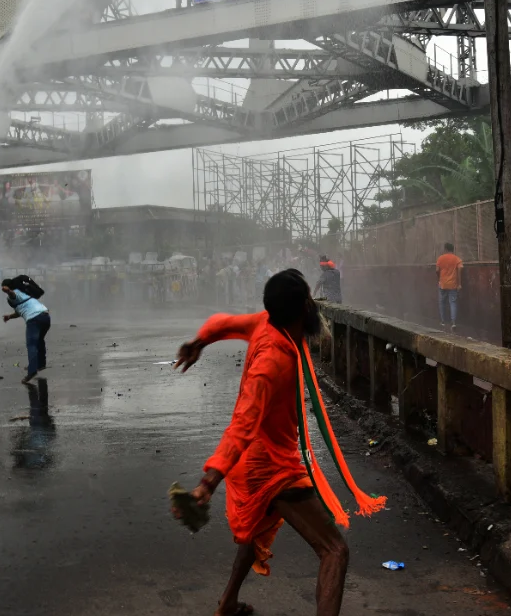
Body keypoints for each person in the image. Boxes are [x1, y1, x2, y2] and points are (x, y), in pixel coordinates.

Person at [173, 270, 385, 616]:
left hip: (258, 461)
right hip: (270, 467)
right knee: (334, 551)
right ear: (305, 307)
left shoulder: (264, 324)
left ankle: (227, 604)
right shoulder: (273, 360)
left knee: (255, 533)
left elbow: (222, 322)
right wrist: (209, 481)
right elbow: (243, 422)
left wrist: (199, 342)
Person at [2, 277, 51, 385]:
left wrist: (8, 291)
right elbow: (20, 311)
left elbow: (12, 295)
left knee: (32, 345)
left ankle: (32, 371)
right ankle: (40, 364)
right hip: (45, 316)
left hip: (34, 319)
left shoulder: (15, 294)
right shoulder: (26, 294)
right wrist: (9, 316)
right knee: (39, 341)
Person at [436, 242, 464, 332]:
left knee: (442, 303)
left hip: (442, 284)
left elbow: (437, 270)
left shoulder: (440, 258)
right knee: (453, 303)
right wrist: (459, 283)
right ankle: (453, 323)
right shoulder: (457, 259)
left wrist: (439, 279)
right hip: (453, 285)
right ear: (452, 249)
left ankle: (443, 321)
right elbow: (460, 269)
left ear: (446, 249)